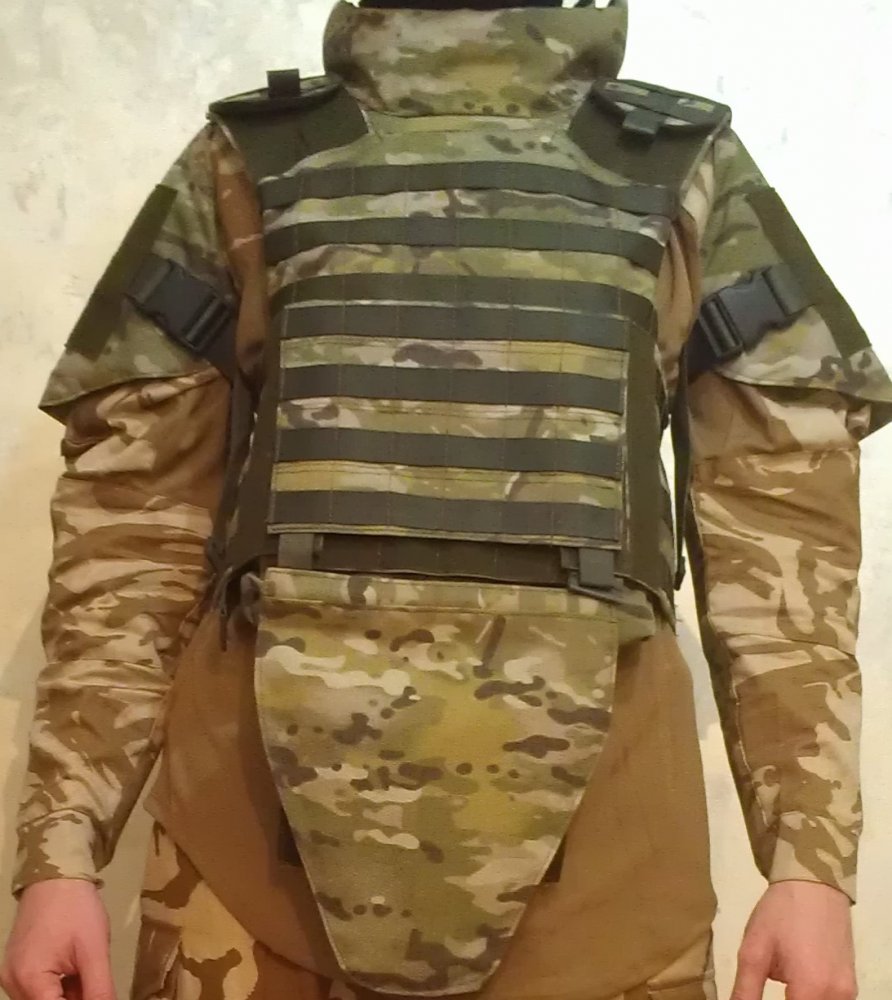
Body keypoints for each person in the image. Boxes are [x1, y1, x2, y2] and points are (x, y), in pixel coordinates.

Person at [2, 1, 890, 998]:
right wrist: (62, 852)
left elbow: (780, 532)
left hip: (601, 894)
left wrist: (810, 866)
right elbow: (134, 524)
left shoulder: (689, 170)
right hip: (257, 875)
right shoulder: (242, 161)